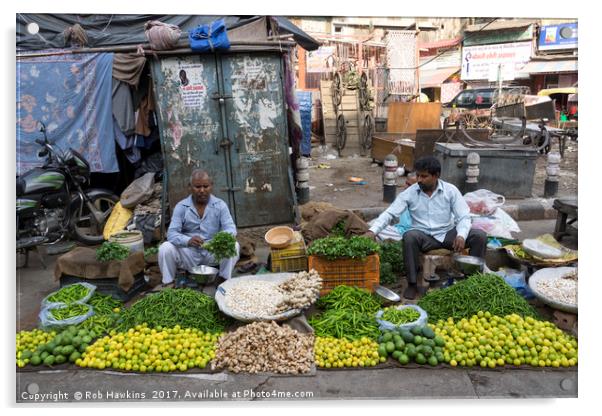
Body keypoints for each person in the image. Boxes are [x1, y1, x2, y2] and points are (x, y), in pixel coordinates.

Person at [364, 156, 487, 300]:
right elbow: (390, 213)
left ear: (436, 176)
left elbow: (464, 216)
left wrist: (461, 235)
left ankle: (473, 280)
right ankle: (412, 284)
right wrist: (372, 231)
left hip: (448, 234)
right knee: (409, 236)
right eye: (418, 175)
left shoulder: (450, 191)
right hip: (423, 237)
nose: (419, 180)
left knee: (479, 236)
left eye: (424, 176)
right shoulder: (410, 193)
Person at [158, 169, 240, 289]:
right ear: (190, 187)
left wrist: (217, 241)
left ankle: (223, 280)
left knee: (234, 246)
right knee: (165, 248)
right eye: (197, 187)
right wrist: (188, 240)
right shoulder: (181, 207)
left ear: (211, 186)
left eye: (205, 186)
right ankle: (168, 283)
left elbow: (231, 229)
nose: (202, 190)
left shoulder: (220, 205)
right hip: (189, 254)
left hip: (212, 253)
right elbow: (172, 234)